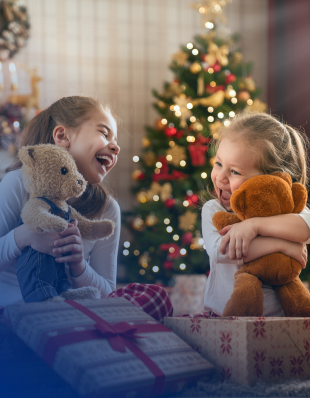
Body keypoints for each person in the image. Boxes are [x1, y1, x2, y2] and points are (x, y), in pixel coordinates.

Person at [0, 96, 121, 306]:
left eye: (116, 141)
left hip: (67, 317)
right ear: (62, 135)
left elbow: (108, 293)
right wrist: (22, 237)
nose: (116, 147)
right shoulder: (17, 183)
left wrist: (79, 266)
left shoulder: (107, 209)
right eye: (104, 133)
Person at [202, 112, 310, 317]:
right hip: (225, 319)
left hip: (279, 320)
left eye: (235, 171)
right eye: (218, 164)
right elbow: (221, 251)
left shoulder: (288, 210)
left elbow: (307, 227)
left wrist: (254, 226)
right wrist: (283, 245)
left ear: (271, 179)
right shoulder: (213, 210)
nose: (221, 177)